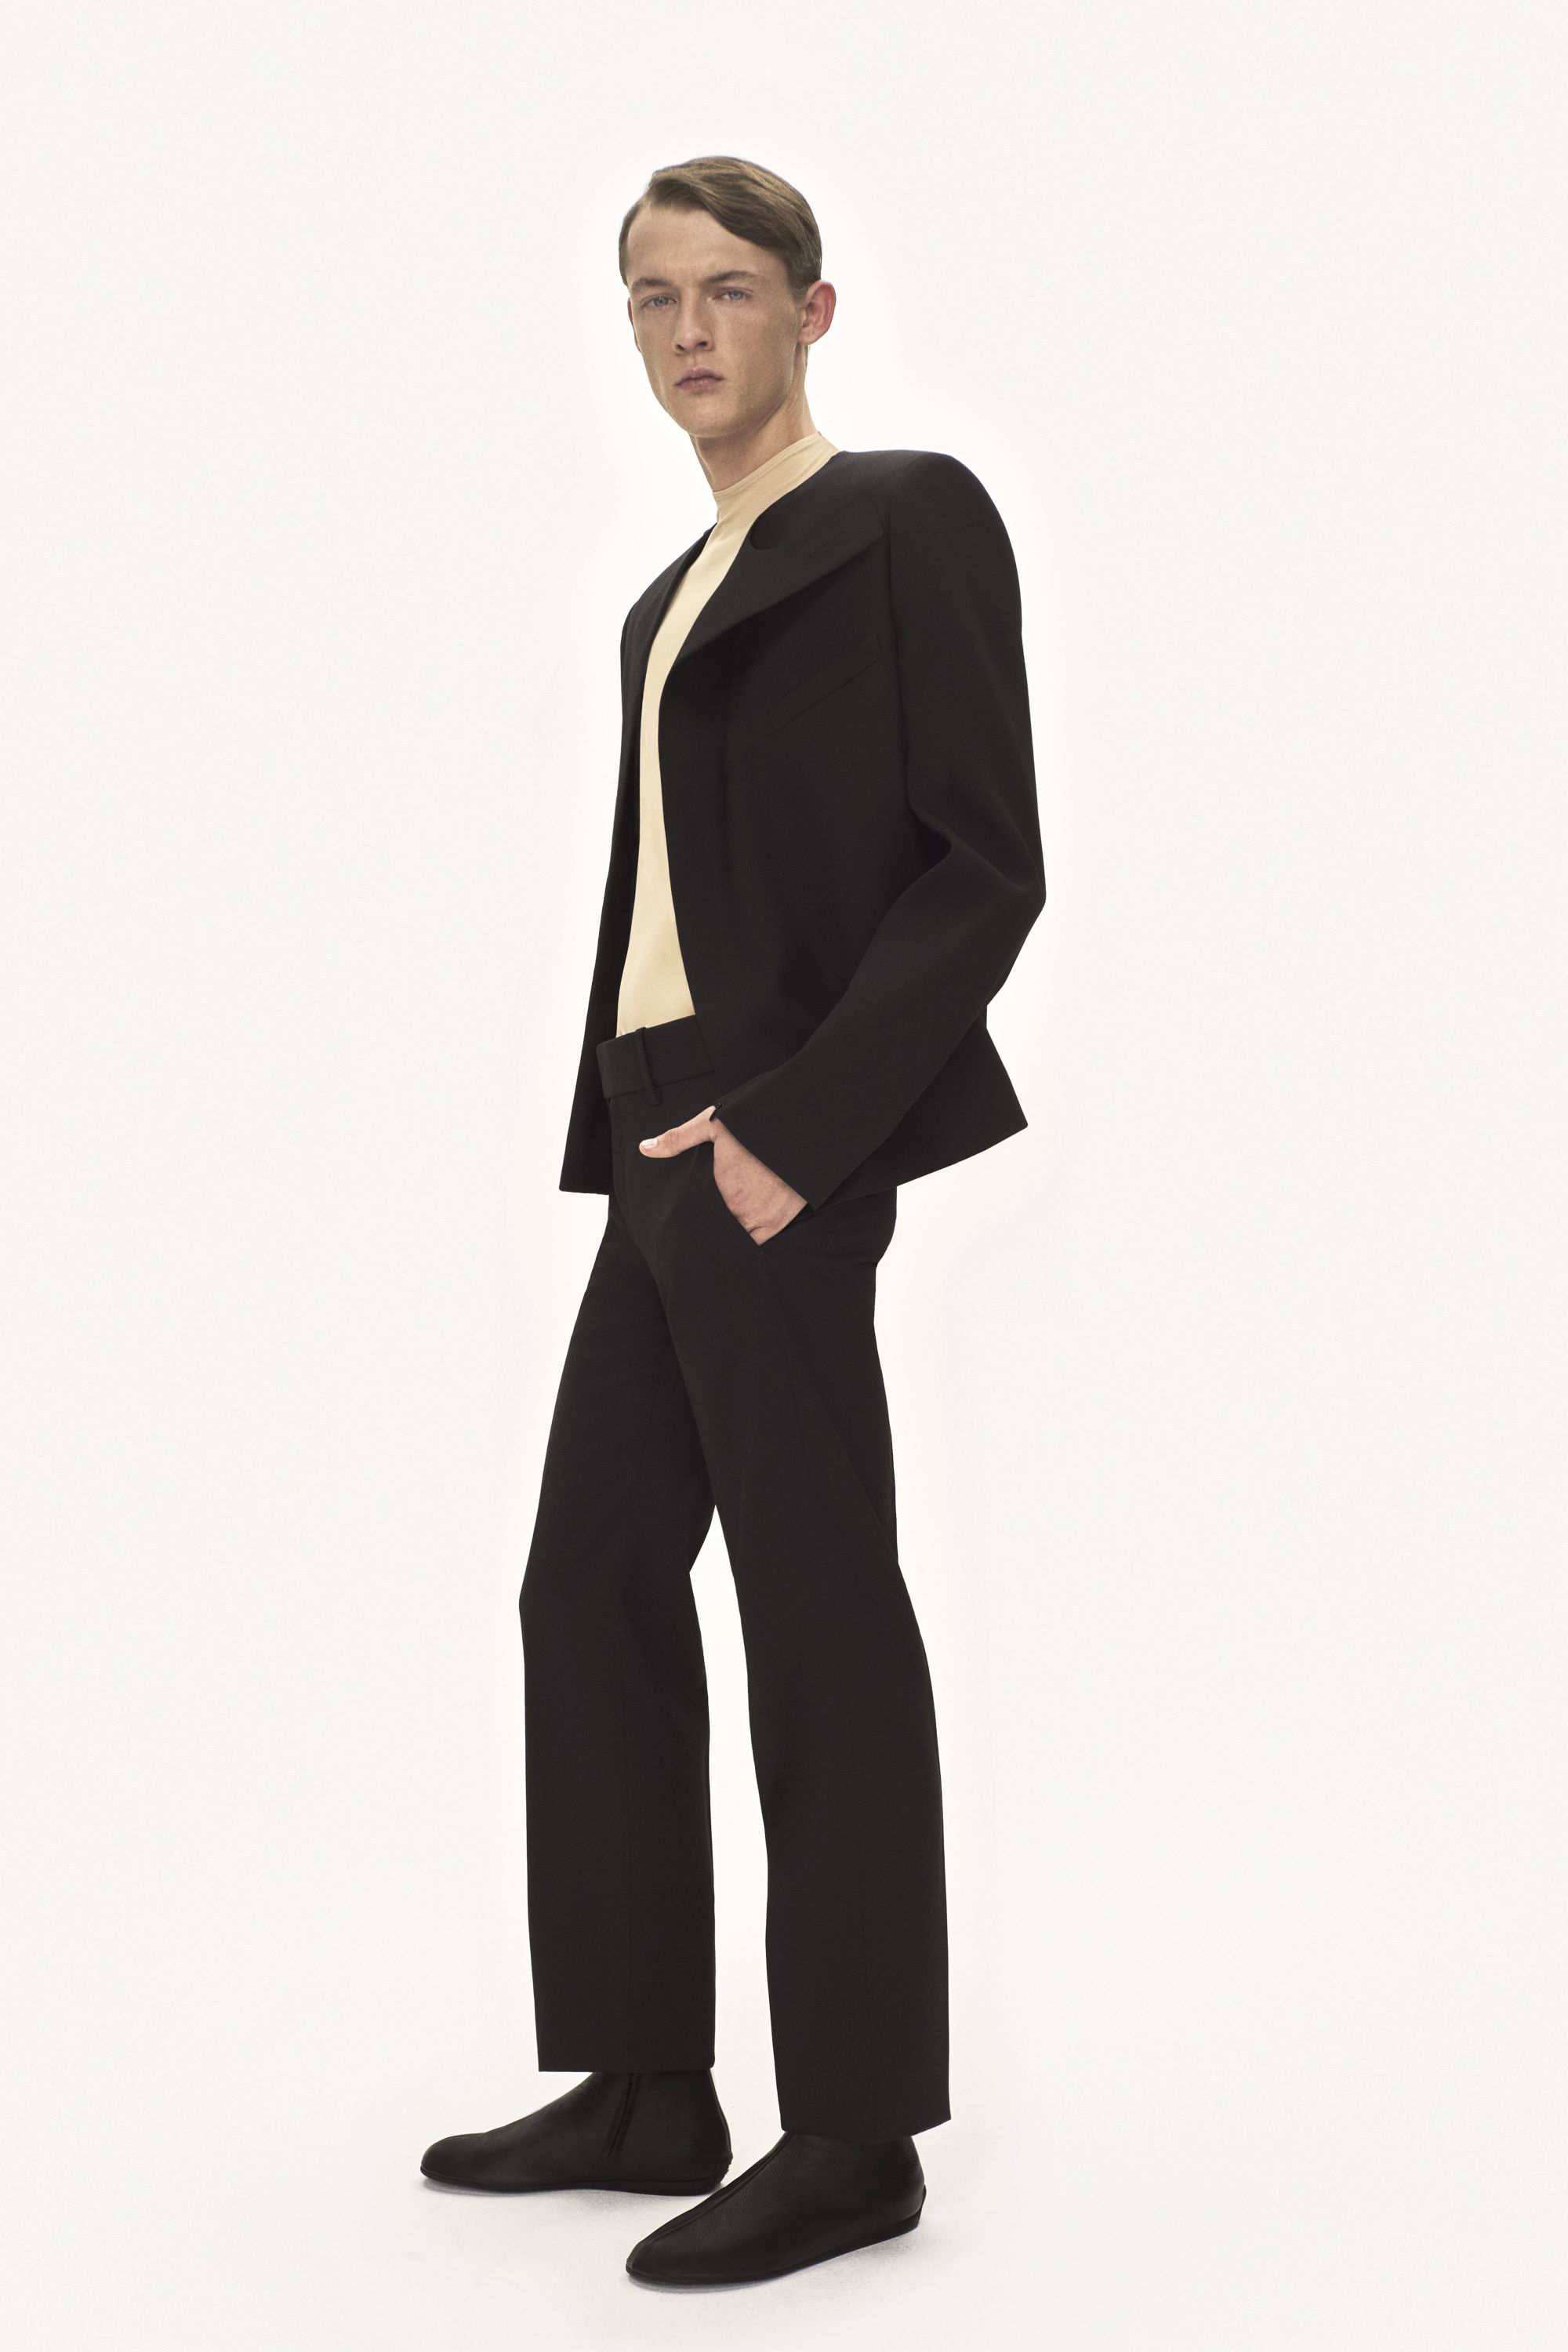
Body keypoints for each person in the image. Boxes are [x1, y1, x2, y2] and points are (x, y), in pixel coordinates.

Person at [421, 153, 1046, 2288]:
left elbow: (985, 864)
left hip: (781, 1129)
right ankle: (644, 2083)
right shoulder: (662, 598)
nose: (688, 330)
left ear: (811, 312)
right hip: (660, 1127)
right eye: (651, 298)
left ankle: (855, 2133)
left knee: (812, 1594)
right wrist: (638, 1125)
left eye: (729, 290)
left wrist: (799, 1131)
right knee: (588, 1575)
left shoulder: (904, 518)